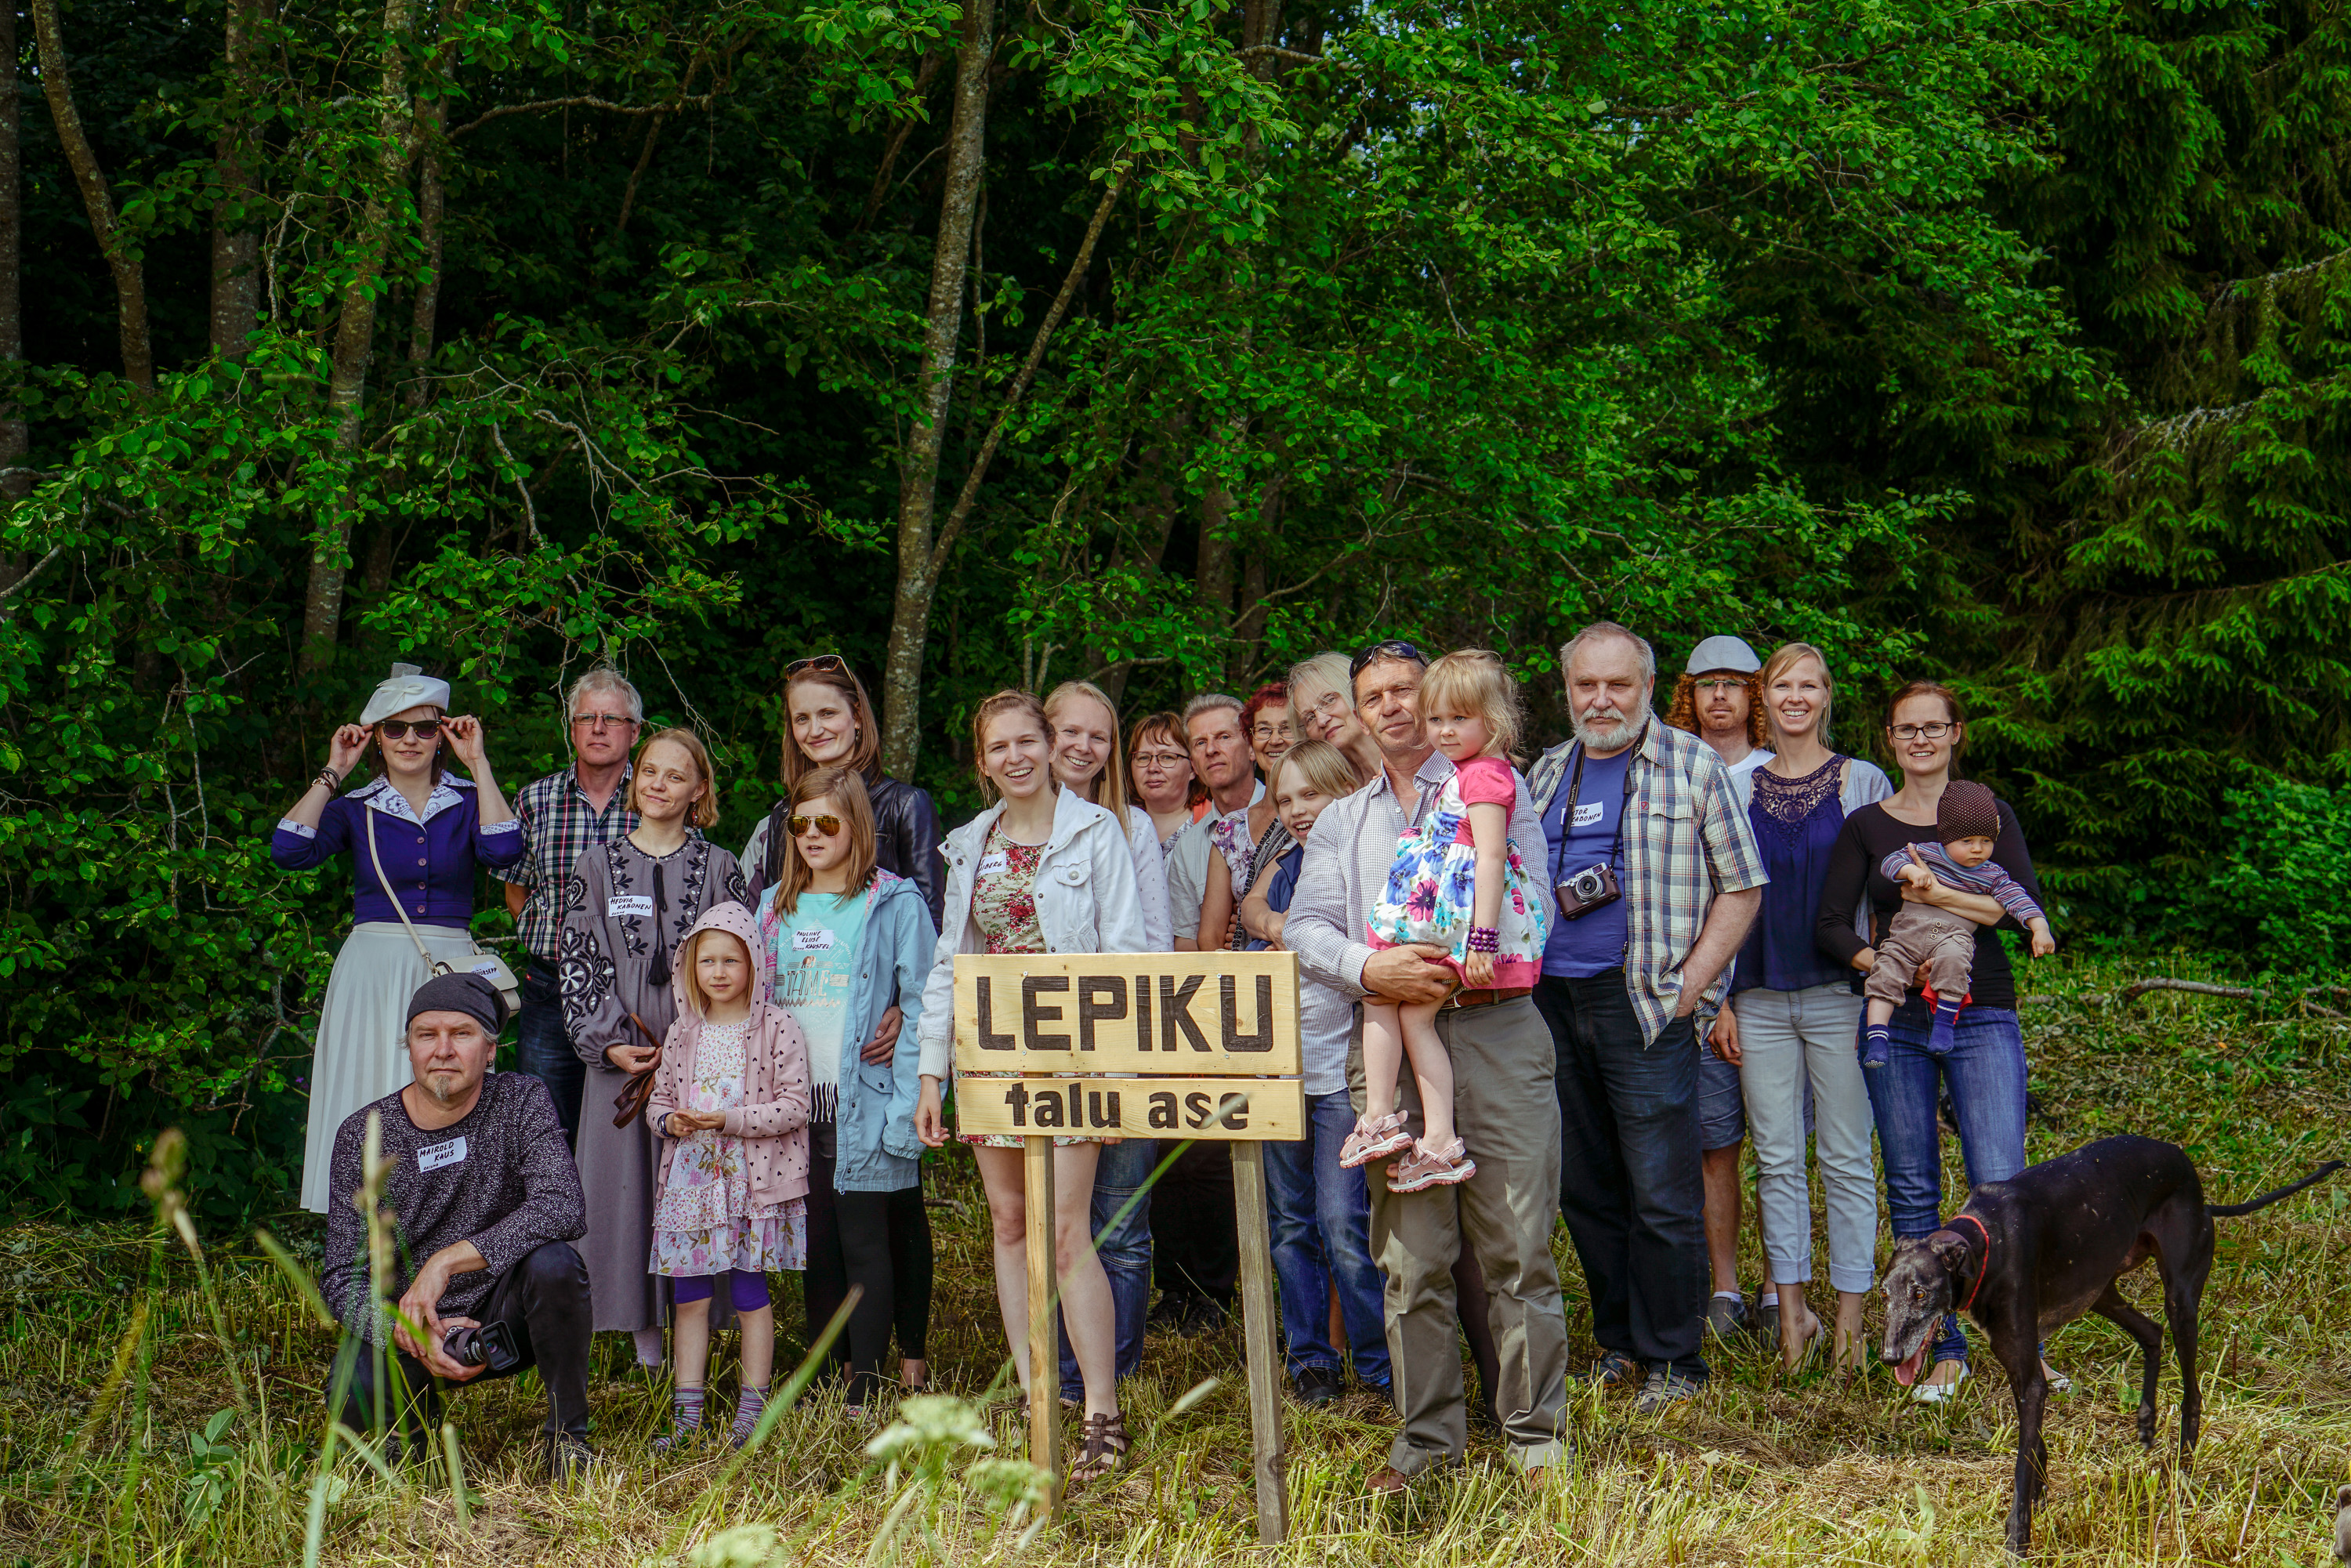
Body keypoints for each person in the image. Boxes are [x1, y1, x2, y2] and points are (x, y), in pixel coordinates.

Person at [1284, 638, 1572, 1490]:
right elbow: (1305, 927)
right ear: (1358, 714)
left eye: (1405, 690)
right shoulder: (1343, 818)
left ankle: (1535, 1438)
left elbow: (1534, 896)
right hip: (1391, 1044)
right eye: (1374, 696)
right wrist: (1372, 967)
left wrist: (1449, 959)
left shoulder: (1492, 782)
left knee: (1518, 1245)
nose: (1393, 707)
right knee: (1411, 1261)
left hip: (1494, 1027)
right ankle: (1427, 1441)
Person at [1528, 622, 1766, 1412]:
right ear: (1568, 691)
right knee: (1586, 1187)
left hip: (1645, 1003)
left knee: (1661, 1191)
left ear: (1649, 688)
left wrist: (1692, 985)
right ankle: (1621, 1343)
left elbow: (1743, 886)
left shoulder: (1693, 766)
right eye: (1586, 685)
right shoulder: (1546, 772)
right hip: (1552, 1004)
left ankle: (1675, 1360)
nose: (1601, 700)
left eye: (1617, 684)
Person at [912, 690, 1147, 1487]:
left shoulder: (1096, 831)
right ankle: (1035, 1390)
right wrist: (932, 1072)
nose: (1014, 757)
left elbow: (1126, 953)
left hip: (1074, 1055)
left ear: (1049, 746)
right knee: (1010, 1224)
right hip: (990, 1055)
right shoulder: (969, 844)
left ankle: (1101, 1412)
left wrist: (1114, 1070)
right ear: (983, 762)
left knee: (1067, 1229)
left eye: (1026, 742)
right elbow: (950, 964)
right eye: (998, 747)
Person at [1815, 680, 2058, 1403]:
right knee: (1913, 1180)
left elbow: (2017, 907)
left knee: (2003, 1183)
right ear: (1889, 738)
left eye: (1933, 727)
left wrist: (1937, 895)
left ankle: (2023, 1342)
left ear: (1956, 733)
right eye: (1906, 729)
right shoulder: (1867, 825)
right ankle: (1943, 1343)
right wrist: (1885, 964)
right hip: (1898, 1017)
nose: (1920, 739)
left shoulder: (1988, 812)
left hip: (1981, 1012)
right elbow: (1830, 925)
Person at [739, 655, 939, 1388]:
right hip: (801, 1094)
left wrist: (907, 1041)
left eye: (829, 711)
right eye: (802, 717)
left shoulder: (895, 880)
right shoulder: (776, 900)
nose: (813, 832)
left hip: (871, 1082)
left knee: (875, 1233)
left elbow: (926, 975)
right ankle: (830, 1368)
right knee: (817, 1237)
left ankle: (878, 1371)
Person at [319, 972, 592, 1480]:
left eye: (461, 1034)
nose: (442, 1049)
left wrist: (446, 1261)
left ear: (490, 1050)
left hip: (504, 1316)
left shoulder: (520, 1100)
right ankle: (417, 1436)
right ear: (410, 1047)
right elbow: (341, 1277)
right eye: (427, 1034)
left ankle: (569, 1440)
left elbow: (563, 1205)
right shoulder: (364, 1133)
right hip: (411, 1320)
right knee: (349, 1389)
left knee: (556, 1264)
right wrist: (408, 1332)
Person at [273, 663, 521, 1214]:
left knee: (451, 1085)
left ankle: (446, 1215)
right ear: (376, 738)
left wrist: (478, 762)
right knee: (369, 1083)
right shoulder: (355, 807)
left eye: (425, 728)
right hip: (373, 967)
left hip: (447, 965)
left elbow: (505, 850)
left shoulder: (467, 799)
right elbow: (289, 850)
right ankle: (366, 1222)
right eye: (395, 728)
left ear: (443, 736)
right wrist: (334, 770)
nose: (410, 739)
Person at [1709, 642, 1889, 1373]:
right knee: (1777, 1159)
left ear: (1825, 697)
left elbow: (1887, 891)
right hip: (1755, 996)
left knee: (1846, 1158)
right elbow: (1716, 891)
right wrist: (1720, 997)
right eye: (1782, 684)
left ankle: (1849, 1326)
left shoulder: (1861, 780)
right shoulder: (1734, 784)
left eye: (1808, 685)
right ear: (1764, 696)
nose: (1795, 696)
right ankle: (1792, 1320)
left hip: (1840, 994)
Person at [560, 728, 749, 1371]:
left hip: (702, 1057)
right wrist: (609, 1042)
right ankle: (645, 1348)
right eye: (649, 772)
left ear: (699, 789)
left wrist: (708, 1041)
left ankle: (696, 1338)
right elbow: (578, 958)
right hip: (623, 1058)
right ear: (634, 781)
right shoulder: (595, 864)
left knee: (695, 1189)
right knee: (626, 1191)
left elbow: (744, 958)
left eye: (676, 775)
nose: (659, 784)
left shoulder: (721, 867)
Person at [1349, 652, 1550, 1192]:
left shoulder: (1485, 775)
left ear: (1494, 719)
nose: (1444, 731)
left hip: (1456, 922)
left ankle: (1394, 1123)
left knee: (1387, 1001)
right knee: (1404, 1012)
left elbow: (1491, 857)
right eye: (1436, 719)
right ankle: (1428, 1136)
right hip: (1447, 914)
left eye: (1459, 718)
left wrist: (1481, 940)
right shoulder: (1467, 772)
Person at [1242, 740, 1393, 1407]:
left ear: (1347, 792)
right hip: (1280, 1074)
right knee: (1290, 1224)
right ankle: (1311, 1360)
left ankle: (1380, 1363)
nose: (1298, 810)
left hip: (1341, 1072)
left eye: (1312, 794)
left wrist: (1287, 934)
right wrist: (1274, 925)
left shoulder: (1369, 862)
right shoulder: (1285, 871)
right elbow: (1255, 925)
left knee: (1344, 1223)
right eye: (1285, 798)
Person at [1044, 681, 1170, 1401]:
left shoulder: (1131, 827)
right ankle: (1057, 1376)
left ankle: (1110, 1375)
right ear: (1043, 734)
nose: (1083, 746)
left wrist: (1133, 1059)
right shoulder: (1002, 830)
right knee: (1049, 1225)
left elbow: (1152, 945)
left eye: (1098, 735)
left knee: (1118, 1222)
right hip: (1037, 1053)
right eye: (1070, 730)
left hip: (1120, 1046)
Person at [647, 903, 812, 1450]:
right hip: (691, 1185)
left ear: (754, 964)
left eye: (731, 961)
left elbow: (796, 1106)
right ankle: (687, 1417)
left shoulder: (777, 1027)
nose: (718, 972)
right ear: (690, 967)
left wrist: (729, 1120)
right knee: (690, 1295)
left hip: (751, 1183)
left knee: (748, 1291)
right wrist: (669, 1121)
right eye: (707, 961)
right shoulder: (683, 1032)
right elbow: (659, 1101)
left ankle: (752, 1413)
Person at [1663, 635, 1776, 1342]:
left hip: (1782, 981)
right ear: (1690, 694)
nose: (1721, 695)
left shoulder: (1779, 773)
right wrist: (1718, 996)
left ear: (1754, 694)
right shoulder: (1675, 769)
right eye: (1708, 684)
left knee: (1782, 1147)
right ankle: (1725, 1286)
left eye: (1735, 683)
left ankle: (1780, 1284)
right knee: (1717, 1143)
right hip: (1711, 990)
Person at [1152, 692, 1261, 1333]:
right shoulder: (1189, 846)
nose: (1213, 749)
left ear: (1250, 742)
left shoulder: (1292, 810)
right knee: (1186, 1149)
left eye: (1224, 736)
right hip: (1206, 1010)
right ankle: (1187, 1292)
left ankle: (1232, 1291)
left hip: (1292, 1010)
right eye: (1200, 742)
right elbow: (1181, 944)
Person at [499, 667, 643, 1144]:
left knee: (623, 1131)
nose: (598, 729)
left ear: (634, 732)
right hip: (550, 990)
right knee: (544, 1127)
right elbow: (516, 890)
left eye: (612, 719)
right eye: (586, 718)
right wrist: (548, 939)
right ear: (572, 728)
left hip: (632, 995)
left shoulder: (657, 799)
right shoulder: (535, 801)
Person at [1862, 780, 2056, 1063]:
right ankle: (1878, 1038)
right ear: (1947, 837)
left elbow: (2020, 901)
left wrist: (2040, 928)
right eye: (1967, 841)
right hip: (1907, 934)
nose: (1977, 849)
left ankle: (1943, 1029)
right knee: (1886, 972)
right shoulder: (1925, 853)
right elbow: (1889, 864)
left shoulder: (1993, 875)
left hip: (1954, 937)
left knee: (1955, 965)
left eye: (1986, 841)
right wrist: (1910, 872)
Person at [741, 655, 944, 922]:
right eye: (801, 719)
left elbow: (929, 921)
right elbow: (774, 916)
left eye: (827, 713)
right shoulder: (785, 813)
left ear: (857, 716)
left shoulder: (904, 805)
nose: (815, 730)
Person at [1198, 682, 1295, 953]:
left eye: (1287, 727)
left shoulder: (1327, 812)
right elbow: (1210, 938)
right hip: (1247, 970)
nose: (1275, 740)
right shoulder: (1231, 829)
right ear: (1251, 746)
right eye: (1263, 729)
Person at [1290, 651, 1383, 781]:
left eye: (1329, 700)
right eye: (1310, 718)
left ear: (1357, 692)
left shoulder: (1410, 761)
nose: (1321, 721)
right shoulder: (1326, 792)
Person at [1127, 712, 1201, 846]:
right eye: (1143, 757)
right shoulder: (1117, 826)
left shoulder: (1215, 827)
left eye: (1167, 757)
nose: (1152, 768)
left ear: (1192, 768)